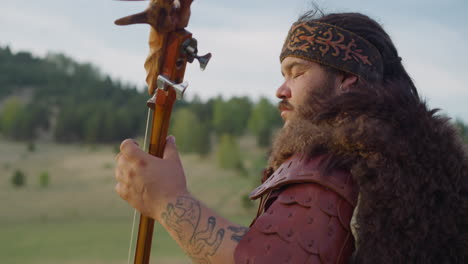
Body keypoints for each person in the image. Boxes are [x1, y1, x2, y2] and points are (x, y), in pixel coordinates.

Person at [115, 10, 468, 264]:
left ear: (348, 79)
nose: (280, 90)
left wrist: (169, 202)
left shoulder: (338, 160)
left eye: (296, 72)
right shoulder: (407, 160)